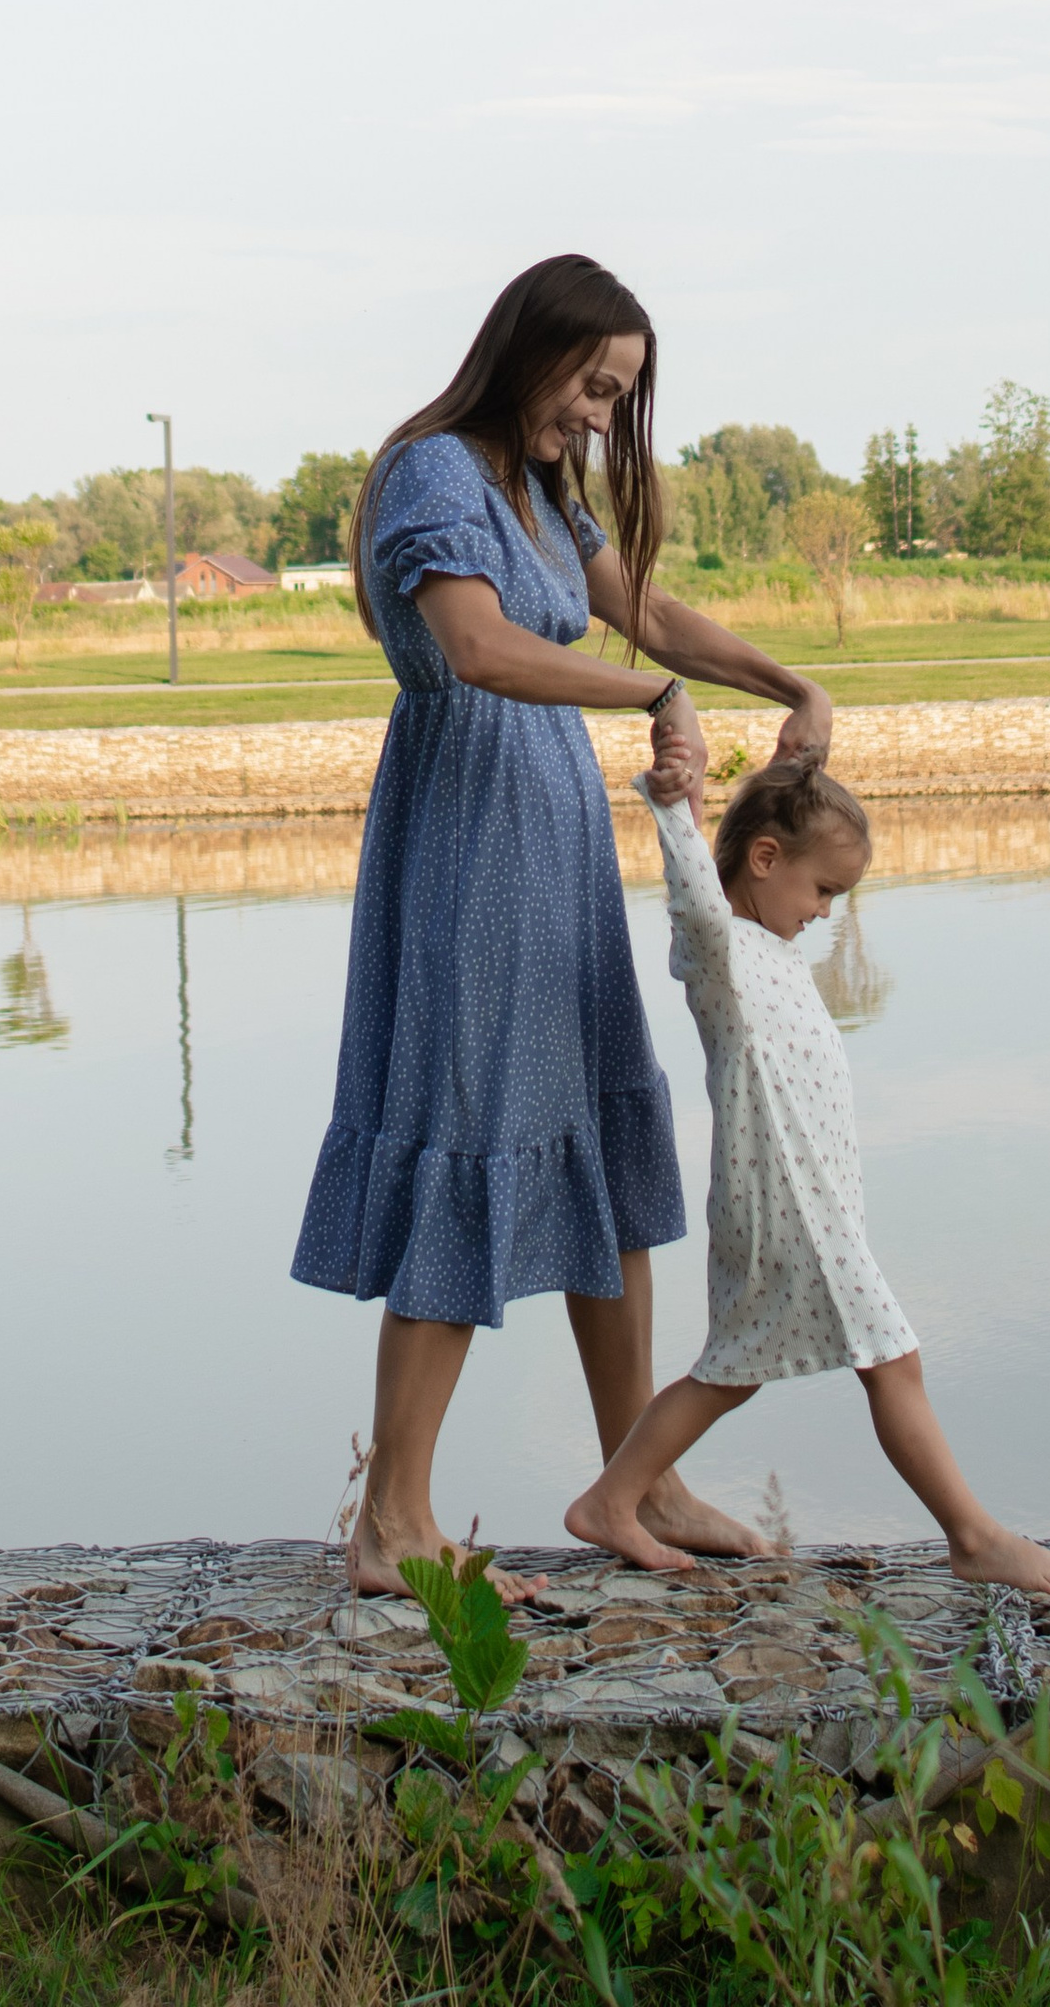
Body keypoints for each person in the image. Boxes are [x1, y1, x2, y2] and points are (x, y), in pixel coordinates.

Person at [291, 253, 838, 1593]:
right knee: (470, 1140)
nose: (601, 415)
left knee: (600, 1137)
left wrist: (785, 678)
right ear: (529, 351)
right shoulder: (435, 476)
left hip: (557, 849)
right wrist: (652, 698)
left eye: (619, 396)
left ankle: (634, 1485)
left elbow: (638, 606)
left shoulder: (539, 490)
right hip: (470, 849)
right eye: (593, 384)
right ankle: (393, 1525)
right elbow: (476, 647)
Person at [562, 723, 1050, 1592]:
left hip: (810, 1205)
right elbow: (697, 895)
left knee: (730, 1373)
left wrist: (725, 797)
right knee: (891, 1358)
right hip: (785, 1207)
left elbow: (752, 852)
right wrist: (675, 815)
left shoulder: (768, 949)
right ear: (764, 861)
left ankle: (614, 1497)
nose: (827, 912)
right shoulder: (722, 952)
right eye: (823, 889)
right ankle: (972, 1535)